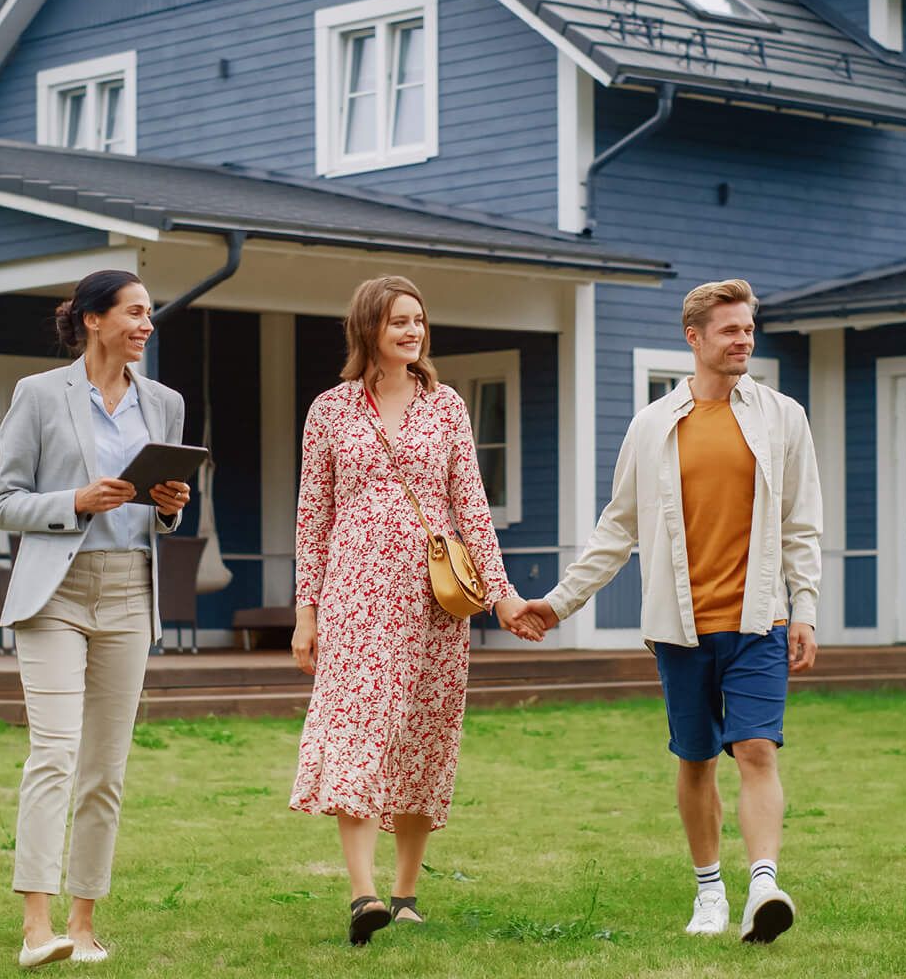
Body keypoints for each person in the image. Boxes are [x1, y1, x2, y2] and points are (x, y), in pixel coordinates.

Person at [505, 279, 821, 945]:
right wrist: (558, 604)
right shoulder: (653, 426)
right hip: (679, 627)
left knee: (757, 749)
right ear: (695, 337)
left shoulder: (782, 417)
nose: (744, 340)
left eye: (748, 329)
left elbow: (802, 523)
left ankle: (764, 884)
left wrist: (806, 608)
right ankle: (711, 893)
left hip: (759, 618)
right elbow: (616, 529)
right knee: (698, 757)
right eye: (730, 330)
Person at [290, 275, 538, 945]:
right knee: (357, 732)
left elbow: (473, 509)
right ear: (368, 326)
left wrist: (503, 595)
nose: (412, 331)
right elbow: (313, 518)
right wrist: (305, 611)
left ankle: (405, 891)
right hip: (353, 598)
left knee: (420, 740)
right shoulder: (331, 410)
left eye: (419, 321)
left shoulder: (448, 406)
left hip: (432, 602)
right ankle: (362, 893)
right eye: (398, 321)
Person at [0, 270, 194, 968]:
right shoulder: (40, 396)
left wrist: (168, 503)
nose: (147, 323)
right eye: (134, 312)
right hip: (56, 593)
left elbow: (164, 510)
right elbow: (4, 502)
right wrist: (74, 500)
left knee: (105, 769)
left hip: (130, 591)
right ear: (93, 319)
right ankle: (35, 927)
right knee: (53, 754)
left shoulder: (164, 402)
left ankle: (83, 924)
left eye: (149, 313)